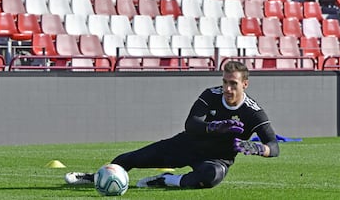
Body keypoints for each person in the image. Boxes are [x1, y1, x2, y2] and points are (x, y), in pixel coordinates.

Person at [65, 61, 280, 188]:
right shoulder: (210, 95)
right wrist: (213, 127)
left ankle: (166, 180)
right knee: (131, 158)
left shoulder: (253, 112)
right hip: (186, 145)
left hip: (216, 159)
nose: (227, 88)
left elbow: (274, 144)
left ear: (245, 84)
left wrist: (259, 148)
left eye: (233, 83)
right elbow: (191, 124)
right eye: (225, 81)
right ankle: (95, 178)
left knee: (211, 178)